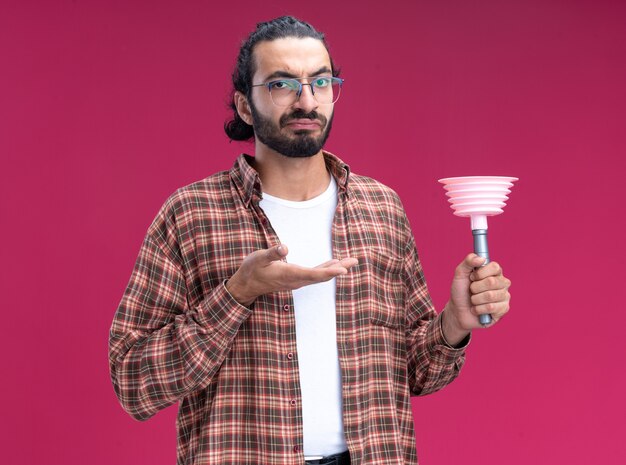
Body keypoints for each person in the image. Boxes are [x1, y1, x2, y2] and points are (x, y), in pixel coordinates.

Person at [108, 16, 511, 465]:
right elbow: (133, 381)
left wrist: (454, 322)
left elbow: (417, 373)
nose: (307, 100)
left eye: (320, 81)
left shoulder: (381, 209)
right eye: (282, 83)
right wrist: (238, 293)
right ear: (244, 106)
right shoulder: (191, 214)